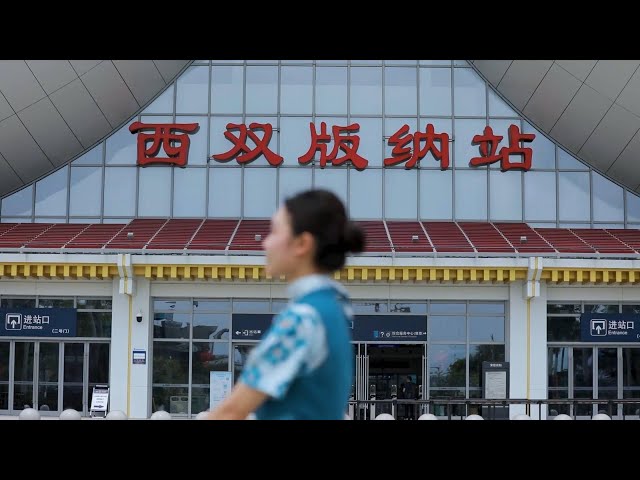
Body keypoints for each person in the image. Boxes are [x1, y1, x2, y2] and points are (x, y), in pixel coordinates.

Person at [205, 189, 365, 420]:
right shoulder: (335, 309)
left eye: (274, 231)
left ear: (302, 243)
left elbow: (230, 412)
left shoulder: (302, 319)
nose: (265, 243)